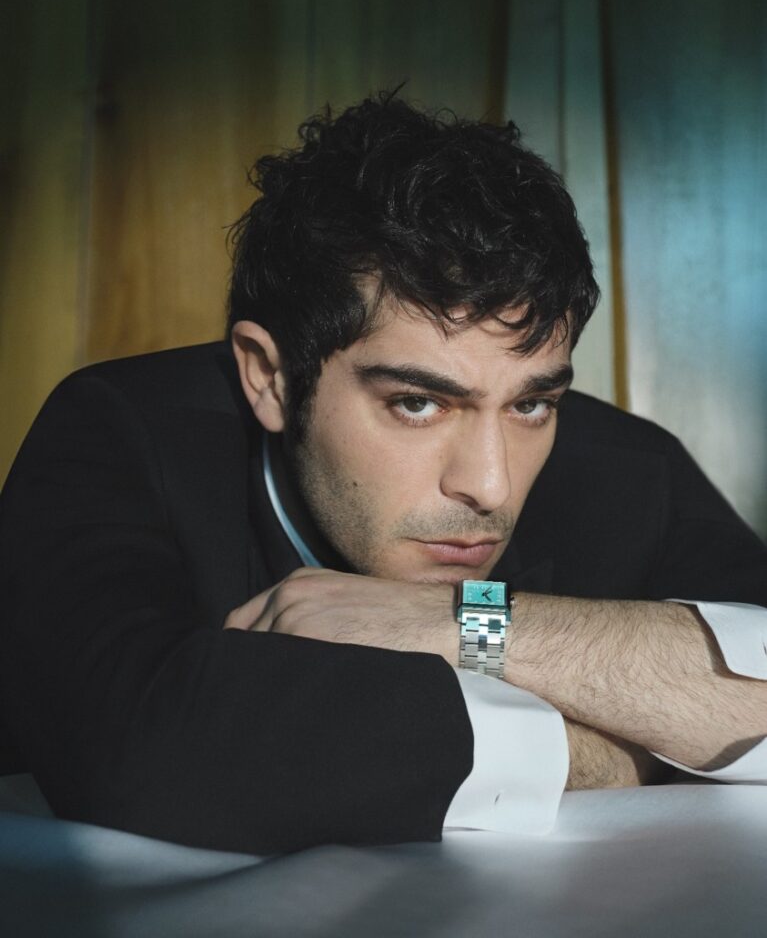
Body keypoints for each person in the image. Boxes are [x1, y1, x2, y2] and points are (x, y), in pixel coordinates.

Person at [1, 94, 765, 856]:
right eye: (416, 403)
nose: (489, 485)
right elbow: (136, 743)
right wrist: (620, 754)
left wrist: (463, 623)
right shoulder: (121, 429)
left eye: (531, 404)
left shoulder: (624, 470)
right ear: (270, 376)